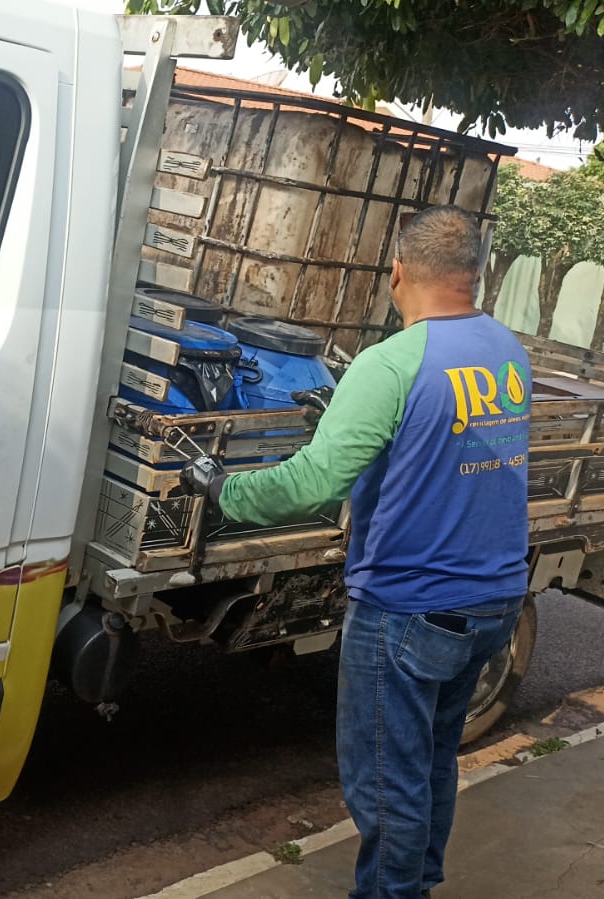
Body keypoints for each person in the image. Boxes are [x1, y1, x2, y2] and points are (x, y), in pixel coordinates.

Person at [181, 205, 531, 899]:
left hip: (409, 608)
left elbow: (310, 486)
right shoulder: (504, 347)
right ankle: (417, 882)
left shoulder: (390, 364)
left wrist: (222, 488)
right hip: (493, 597)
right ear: (475, 273)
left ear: (396, 272)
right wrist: (343, 416)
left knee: (385, 782)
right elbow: (440, 434)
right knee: (431, 759)